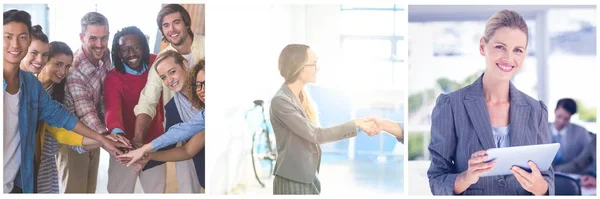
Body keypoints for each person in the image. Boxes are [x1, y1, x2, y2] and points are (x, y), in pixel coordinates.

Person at [426, 10, 554, 195]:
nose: (509, 58)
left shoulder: (536, 111)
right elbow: (437, 179)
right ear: (482, 46)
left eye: (517, 50)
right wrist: (466, 177)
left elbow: (548, 179)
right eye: (500, 47)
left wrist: (539, 186)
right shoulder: (451, 106)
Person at [3, 9, 121, 194]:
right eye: (8, 36)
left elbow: (61, 117)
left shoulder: (33, 86)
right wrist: (103, 138)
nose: (15, 44)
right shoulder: (67, 76)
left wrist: (102, 138)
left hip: (22, 173)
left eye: (22, 37)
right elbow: (78, 114)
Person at [268, 44, 378, 195]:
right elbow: (316, 135)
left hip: (307, 177)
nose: (317, 68)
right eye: (313, 64)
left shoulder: (300, 97)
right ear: (298, 67)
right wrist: (355, 124)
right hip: (292, 181)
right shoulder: (281, 101)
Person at [35, 41, 128, 193]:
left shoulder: (61, 92)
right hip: (29, 156)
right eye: (58, 64)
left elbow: (63, 131)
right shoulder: (29, 85)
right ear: (44, 60)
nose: (63, 71)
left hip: (47, 158)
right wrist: (103, 138)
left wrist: (106, 139)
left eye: (67, 66)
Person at [133, 4, 205, 193]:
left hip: (208, 125)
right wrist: (139, 141)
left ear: (186, 24)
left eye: (176, 22)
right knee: (187, 187)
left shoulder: (209, 46)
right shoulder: (162, 60)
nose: (171, 29)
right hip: (182, 127)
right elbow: (148, 99)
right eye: (166, 25)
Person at [57, 12, 124, 193]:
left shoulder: (106, 53)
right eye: (93, 38)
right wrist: (105, 136)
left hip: (98, 135)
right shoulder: (74, 69)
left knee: (89, 190)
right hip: (74, 138)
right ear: (81, 37)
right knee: (74, 191)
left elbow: (112, 87)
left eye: (104, 38)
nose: (100, 45)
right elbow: (85, 110)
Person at [119, 52, 205, 192]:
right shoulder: (174, 106)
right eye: (163, 77)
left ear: (184, 65)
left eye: (172, 72)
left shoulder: (205, 90)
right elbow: (177, 144)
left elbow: (185, 131)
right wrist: (148, 157)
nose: (170, 80)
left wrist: (144, 149)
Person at [103, 26, 166, 193]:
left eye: (135, 47)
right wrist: (120, 138)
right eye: (123, 49)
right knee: (120, 191)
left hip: (154, 142)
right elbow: (112, 109)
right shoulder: (113, 77)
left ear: (143, 47)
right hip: (125, 145)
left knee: (156, 191)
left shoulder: (157, 63)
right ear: (117, 53)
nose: (130, 54)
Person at [549, 98, 591, 170]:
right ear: (555, 111)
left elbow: (589, 155)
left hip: (571, 173)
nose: (561, 121)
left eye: (566, 119)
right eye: (559, 116)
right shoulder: (540, 129)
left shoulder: (581, 132)